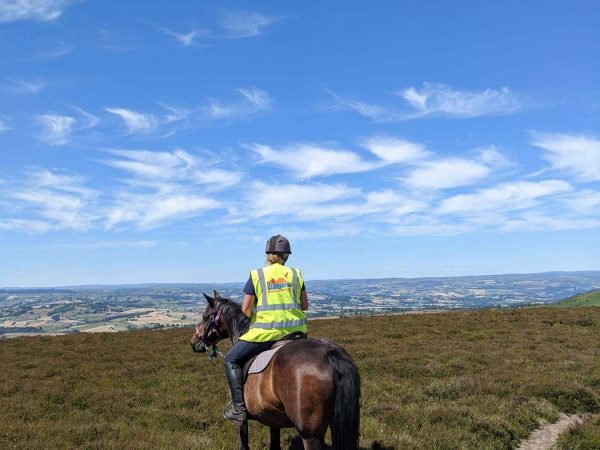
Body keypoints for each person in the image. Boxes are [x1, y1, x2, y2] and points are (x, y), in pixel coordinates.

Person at [223, 234, 309, 423]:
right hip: (297, 334)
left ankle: (239, 410)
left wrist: (257, 317)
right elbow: (305, 306)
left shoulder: (257, 275)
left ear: (268, 253)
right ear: (286, 256)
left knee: (230, 359)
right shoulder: (296, 274)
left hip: (266, 334)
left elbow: (245, 309)